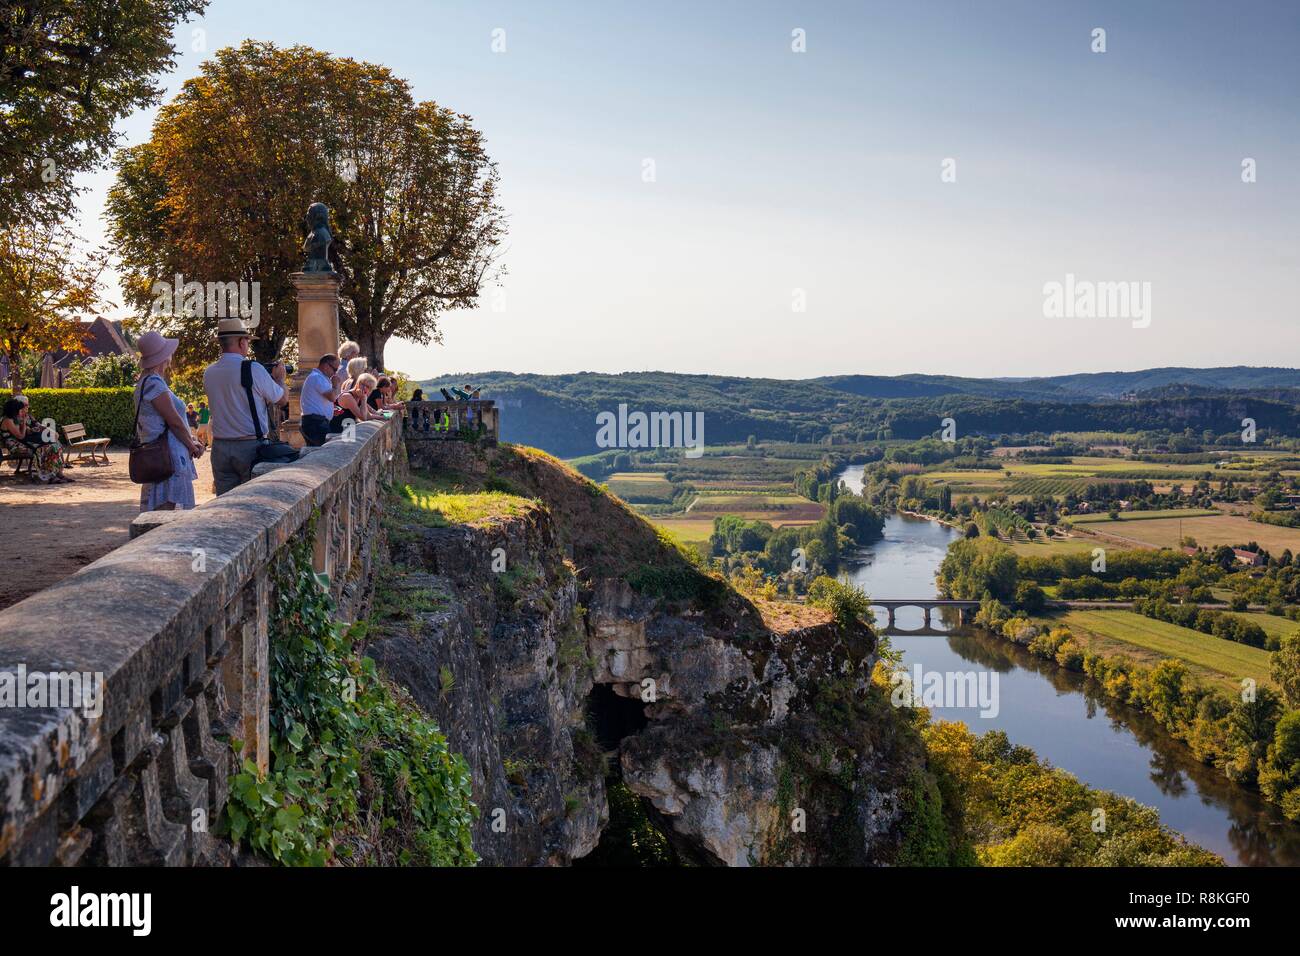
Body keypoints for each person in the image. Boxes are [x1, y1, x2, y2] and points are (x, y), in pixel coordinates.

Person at [203, 317, 287, 495]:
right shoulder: (253, 368)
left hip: (220, 446)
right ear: (241, 342)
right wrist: (280, 379)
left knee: (224, 502)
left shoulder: (209, 372)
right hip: (249, 446)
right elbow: (282, 399)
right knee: (251, 500)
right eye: (247, 341)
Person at [135, 331, 203, 511]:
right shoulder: (154, 383)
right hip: (168, 457)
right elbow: (174, 421)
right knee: (167, 511)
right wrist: (192, 445)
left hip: (161, 454)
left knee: (163, 509)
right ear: (164, 357)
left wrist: (192, 442)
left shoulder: (146, 382)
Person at [1, 397, 68, 483]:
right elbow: (21, 436)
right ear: (15, 409)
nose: (25, 408)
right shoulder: (8, 420)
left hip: (24, 442)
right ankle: (50, 476)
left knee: (53, 446)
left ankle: (58, 473)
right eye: (22, 408)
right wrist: (25, 424)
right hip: (16, 446)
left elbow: (33, 428)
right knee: (44, 448)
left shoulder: (16, 417)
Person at [300, 353, 344, 446]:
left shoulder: (320, 378)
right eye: (335, 369)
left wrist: (331, 410)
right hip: (315, 423)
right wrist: (335, 385)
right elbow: (331, 397)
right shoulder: (317, 377)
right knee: (320, 452)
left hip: (317, 422)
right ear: (326, 365)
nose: (335, 373)